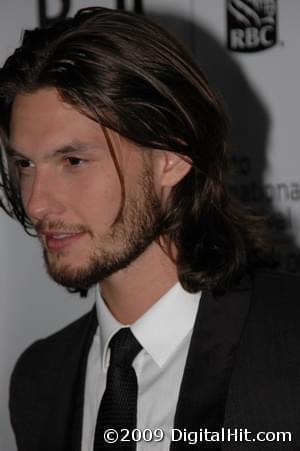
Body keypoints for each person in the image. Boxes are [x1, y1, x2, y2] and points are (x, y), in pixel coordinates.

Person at [0, 6, 299, 451]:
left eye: (73, 161)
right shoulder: (39, 380)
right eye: (25, 164)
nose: (37, 201)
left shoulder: (288, 345)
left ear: (171, 159)